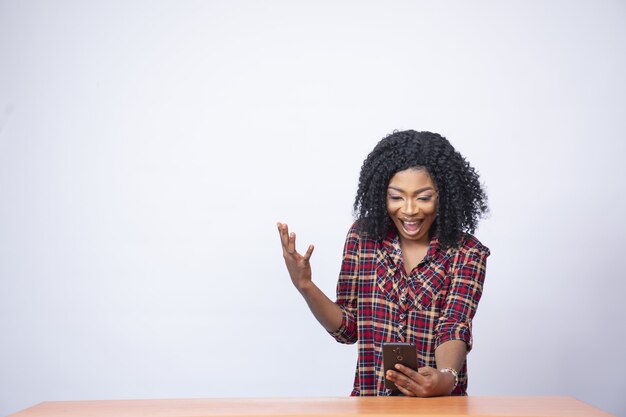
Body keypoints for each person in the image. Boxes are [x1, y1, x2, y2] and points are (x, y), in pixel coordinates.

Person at [277, 130, 490, 397]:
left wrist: (446, 378)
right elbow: (348, 329)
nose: (410, 209)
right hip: (372, 404)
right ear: (382, 196)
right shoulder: (362, 239)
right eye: (397, 197)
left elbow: (453, 325)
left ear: (444, 196)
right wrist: (305, 285)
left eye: (424, 197)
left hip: (437, 407)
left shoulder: (467, 252)